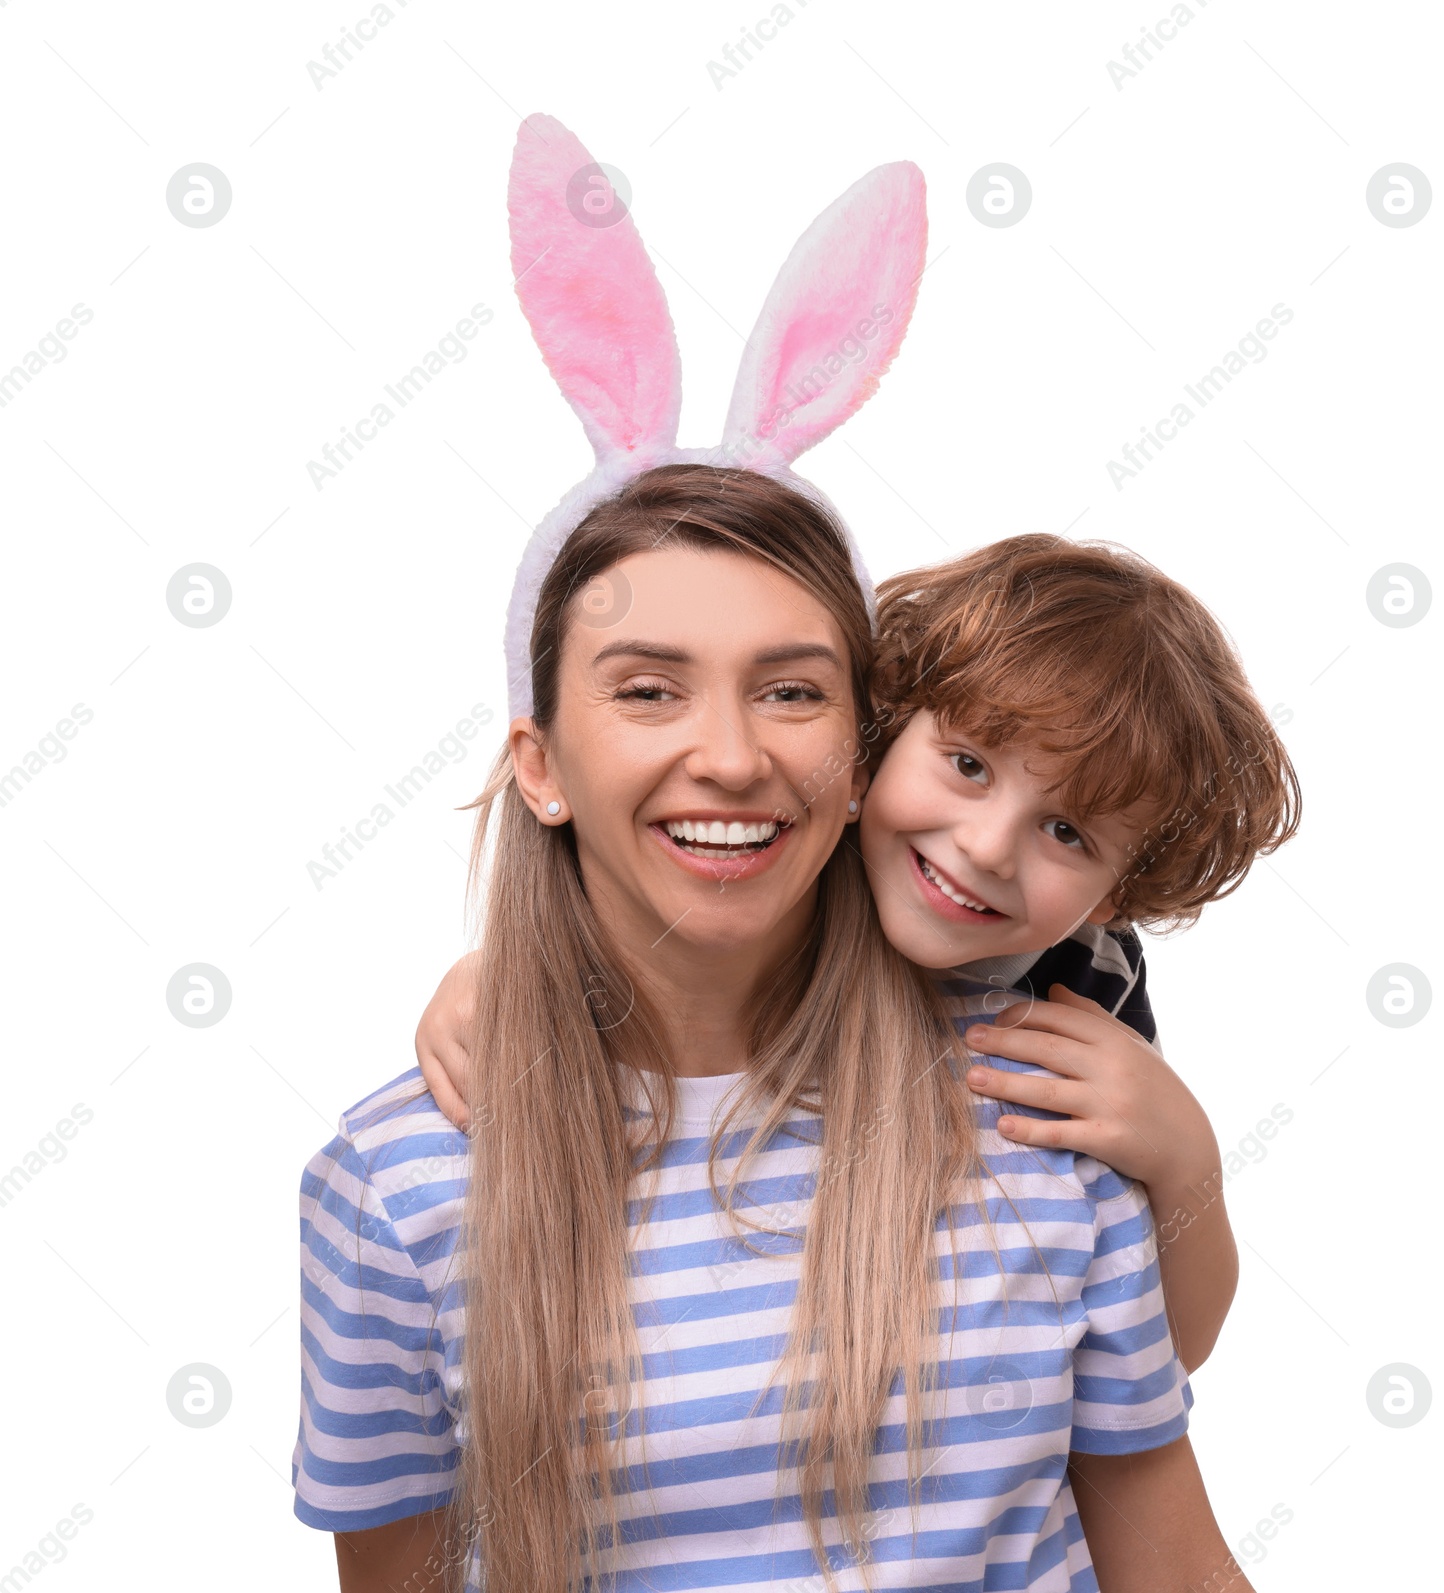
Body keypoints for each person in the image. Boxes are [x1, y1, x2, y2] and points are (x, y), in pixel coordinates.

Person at [292, 464, 1255, 1592]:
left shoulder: (1055, 1069)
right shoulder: (397, 1187)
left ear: (850, 753)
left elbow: (1175, 1530)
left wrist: (1186, 1160)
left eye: (791, 694)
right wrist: (505, 985)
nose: (735, 758)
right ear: (538, 766)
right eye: (648, 690)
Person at [414, 530, 1301, 1372]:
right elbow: (640, 907)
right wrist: (500, 974)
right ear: (874, 741)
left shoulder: (1085, 979)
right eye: (968, 765)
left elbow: (1164, 1352)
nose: (988, 847)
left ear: (1115, 891)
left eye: (1066, 830)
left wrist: (1187, 1163)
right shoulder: (794, 852)